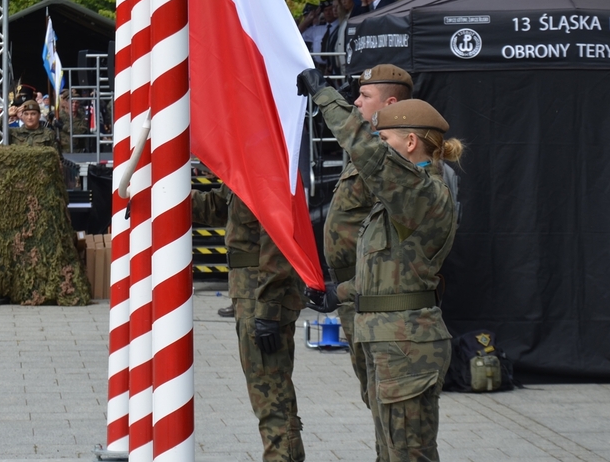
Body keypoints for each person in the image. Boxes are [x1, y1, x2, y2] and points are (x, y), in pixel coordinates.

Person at [299, 68, 461, 462]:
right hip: (387, 339)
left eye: (384, 138)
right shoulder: (401, 197)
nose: (378, 145)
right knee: (390, 451)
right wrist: (335, 294)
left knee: (408, 454)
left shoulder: (421, 191)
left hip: (406, 344)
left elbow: (365, 152)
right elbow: (387, 278)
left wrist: (325, 98)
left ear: (409, 143)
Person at [323, 64, 413, 425]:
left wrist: (323, 95)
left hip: (376, 296)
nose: (357, 102)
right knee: (373, 396)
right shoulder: (375, 148)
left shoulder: (391, 156)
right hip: (355, 293)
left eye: (365, 96)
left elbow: (355, 136)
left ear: (390, 103)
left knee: (390, 404)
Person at [192, 185, 305, 462]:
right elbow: (219, 206)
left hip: (262, 293)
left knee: (271, 395)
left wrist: (267, 308)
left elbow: (278, 237)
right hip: (251, 292)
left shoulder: (264, 166)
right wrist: (165, 192)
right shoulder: (244, 167)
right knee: (269, 394)